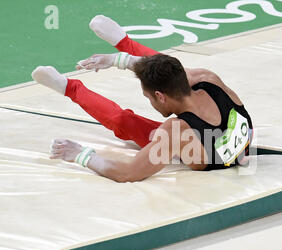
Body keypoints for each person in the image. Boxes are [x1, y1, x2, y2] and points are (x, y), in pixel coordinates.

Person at [31, 15, 253, 182]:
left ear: (160, 96)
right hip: (231, 141)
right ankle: (124, 43)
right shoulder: (208, 79)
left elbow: (127, 173)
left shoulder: (175, 133)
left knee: (123, 121)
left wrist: (80, 155)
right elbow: (168, 69)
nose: (149, 101)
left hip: (204, 150)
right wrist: (118, 60)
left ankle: (69, 88)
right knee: (169, 69)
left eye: (148, 97)